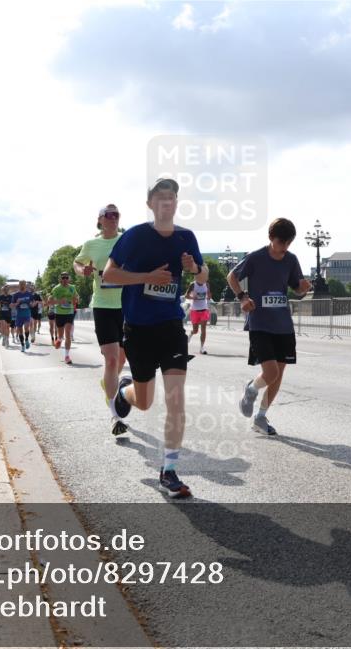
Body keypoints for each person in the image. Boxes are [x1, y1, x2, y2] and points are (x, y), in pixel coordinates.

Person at [104, 178, 205, 498]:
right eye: (161, 197)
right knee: (144, 401)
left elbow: (203, 274)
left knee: (176, 399)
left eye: (172, 197)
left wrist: (194, 269)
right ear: (150, 204)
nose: (167, 202)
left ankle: (170, 469)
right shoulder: (134, 236)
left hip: (172, 326)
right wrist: (146, 277)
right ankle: (124, 392)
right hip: (138, 328)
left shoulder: (186, 237)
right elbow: (109, 275)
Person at [228, 217, 312, 436]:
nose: (283, 248)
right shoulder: (255, 258)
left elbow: (296, 288)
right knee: (270, 372)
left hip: (283, 324)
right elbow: (231, 277)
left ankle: (261, 417)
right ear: (271, 238)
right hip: (260, 323)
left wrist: (303, 288)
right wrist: (242, 297)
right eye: (280, 243)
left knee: (278, 374)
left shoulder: (291, 260)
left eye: (288, 243)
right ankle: (252, 389)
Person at [74, 203, 128, 435]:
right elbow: (78, 262)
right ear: (100, 220)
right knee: (112, 360)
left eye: (117, 214)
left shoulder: (127, 239)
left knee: (123, 359)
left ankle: (108, 383)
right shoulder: (91, 244)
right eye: (109, 215)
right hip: (104, 306)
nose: (114, 218)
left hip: (127, 305)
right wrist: (81, 270)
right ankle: (115, 415)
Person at [49, 272, 79, 364]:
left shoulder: (72, 287)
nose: (65, 279)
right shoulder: (56, 289)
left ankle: (67, 356)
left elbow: (76, 298)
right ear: (60, 279)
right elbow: (49, 301)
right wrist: (59, 301)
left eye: (67, 278)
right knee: (61, 336)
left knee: (68, 335)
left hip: (69, 313)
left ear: (69, 279)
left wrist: (75, 300)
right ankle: (59, 339)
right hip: (59, 314)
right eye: (63, 278)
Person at [185, 275, 211, 355]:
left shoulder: (206, 284)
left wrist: (208, 296)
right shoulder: (193, 284)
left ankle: (202, 348)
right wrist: (193, 298)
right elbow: (186, 295)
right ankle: (191, 334)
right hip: (194, 310)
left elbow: (209, 296)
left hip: (204, 309)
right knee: (195, 330)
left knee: (203, 329)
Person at [11, 280, 36, 350]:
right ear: (19, 285)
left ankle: (27, 340)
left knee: (26, 328)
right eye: (21, 284)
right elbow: (11, 305)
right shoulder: (15, 295)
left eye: (23, 284)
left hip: (27, 314)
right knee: (20, 331)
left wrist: (32, 304)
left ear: (25, 285)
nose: (22, 285)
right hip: (19, 315)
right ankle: (22, 345)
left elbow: (33, 303)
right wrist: (17, 303)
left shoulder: (29, 294)